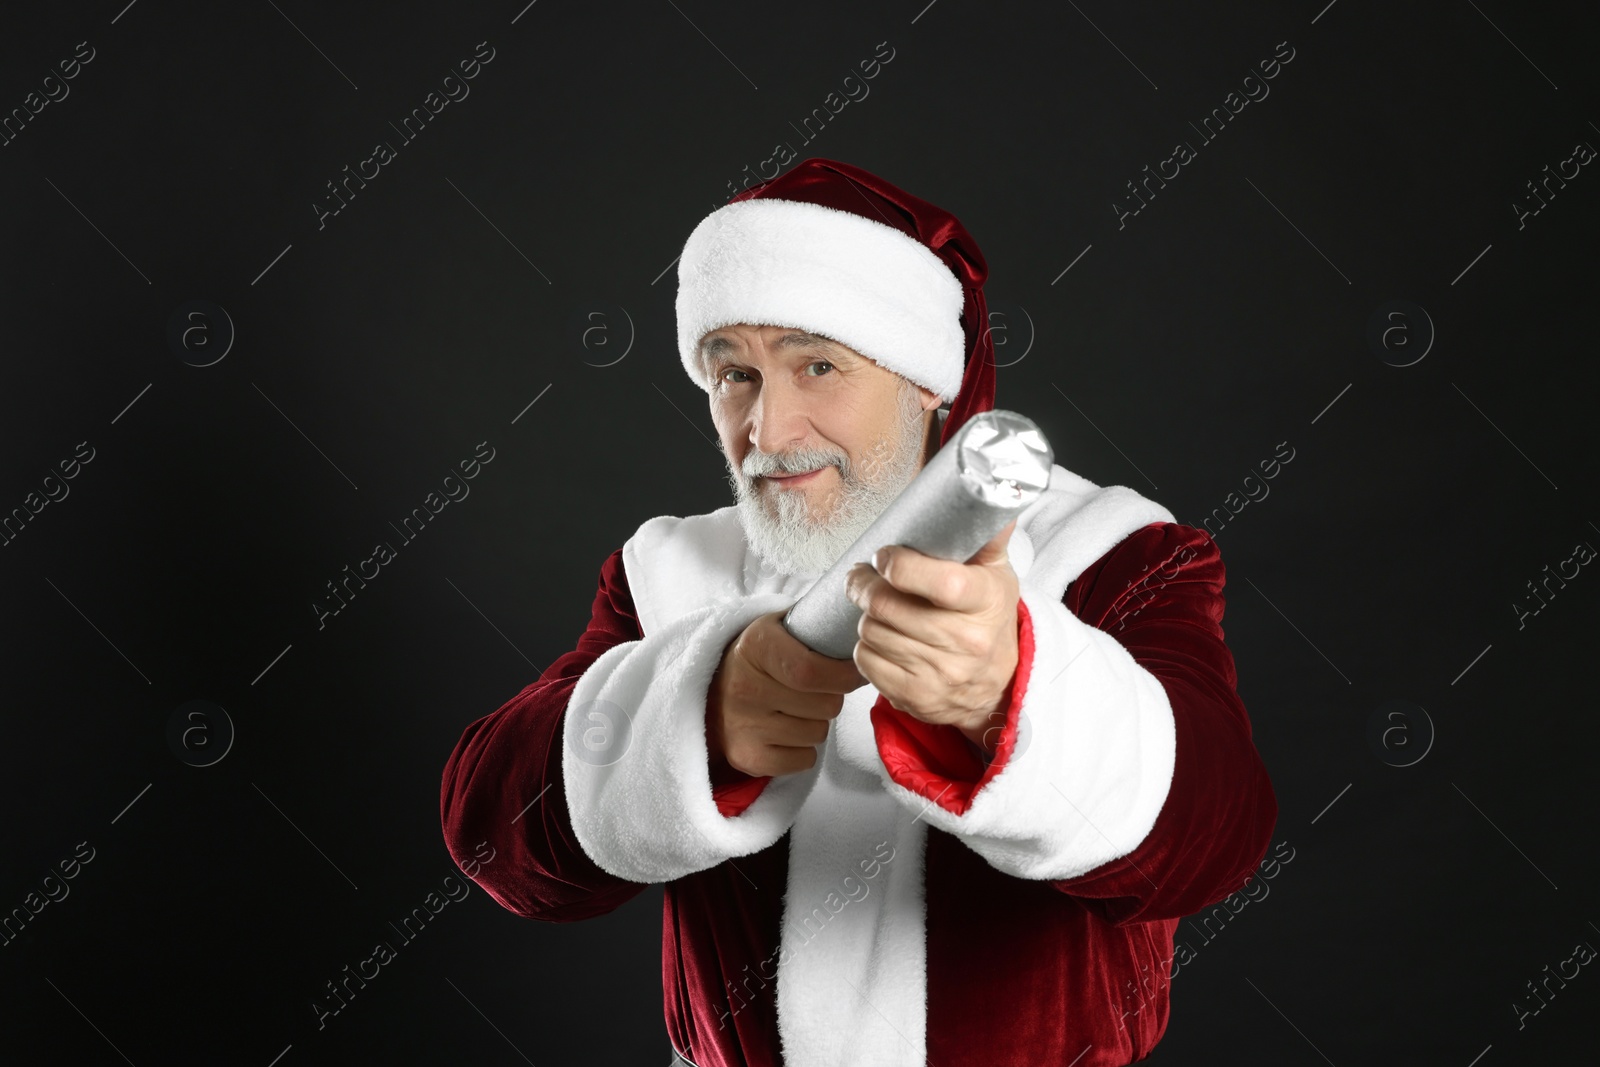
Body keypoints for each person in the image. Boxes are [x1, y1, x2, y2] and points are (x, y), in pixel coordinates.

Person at [439, 158, 1277, 1067]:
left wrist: (1010, 696)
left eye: (819, 364)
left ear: (925, 378)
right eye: (736, 375)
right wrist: (697, 718)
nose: (769, 431)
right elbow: (494, 840)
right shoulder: (666, 573)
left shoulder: (1117, 552)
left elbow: (1219, 834)